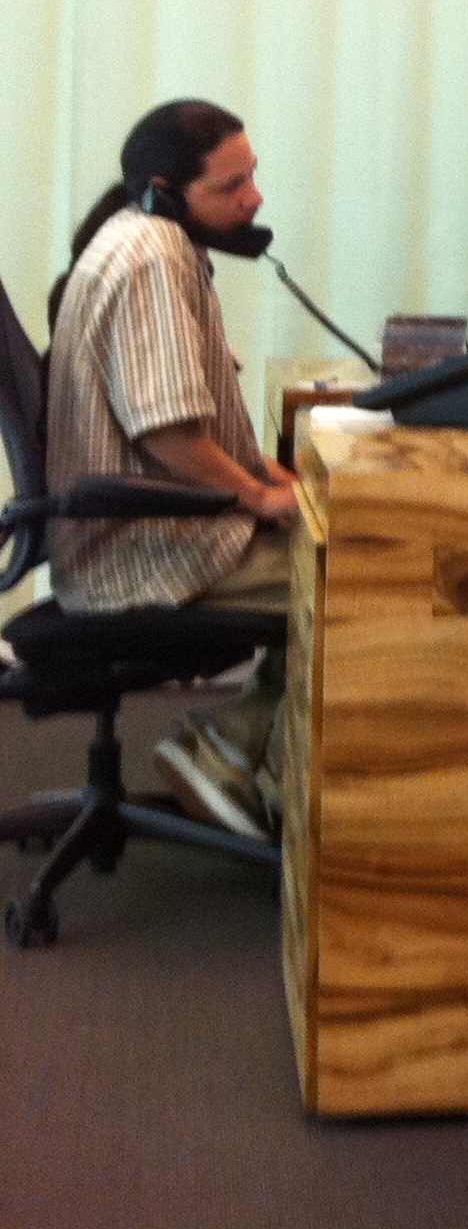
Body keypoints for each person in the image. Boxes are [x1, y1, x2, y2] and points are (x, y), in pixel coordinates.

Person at [46, 100, 302, 843]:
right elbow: (165, 430)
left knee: (337, 551)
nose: (254, 199)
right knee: (357, 580)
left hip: (147, 530)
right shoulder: (152, 257)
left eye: (252, 176)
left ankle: (229, 748)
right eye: (231, 186)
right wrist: (254, 495)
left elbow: (193, 420)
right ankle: (248, 765)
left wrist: (270, 476)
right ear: (165, 192)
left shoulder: (150, 240)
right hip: (142, 551)